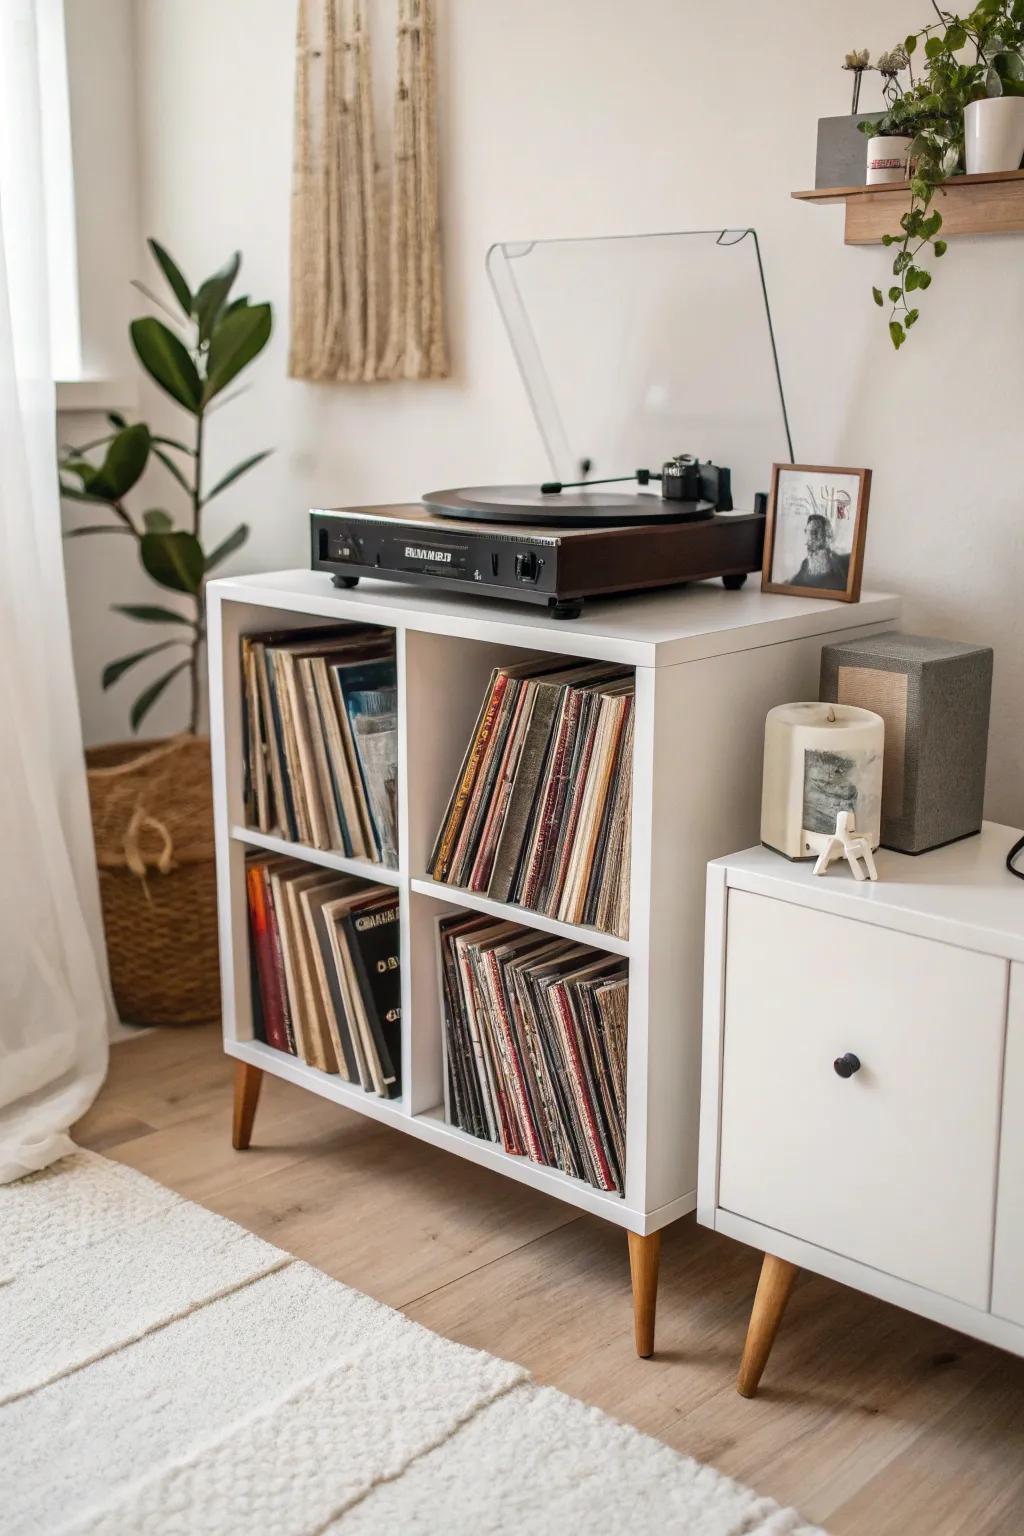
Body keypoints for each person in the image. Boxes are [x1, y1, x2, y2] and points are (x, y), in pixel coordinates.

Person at [788, 513, 849, 590]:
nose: (810, 538)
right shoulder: (805, 564)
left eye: (815, 532)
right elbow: (794, 584)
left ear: (827, 536)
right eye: (807, 531)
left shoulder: (839, 567)